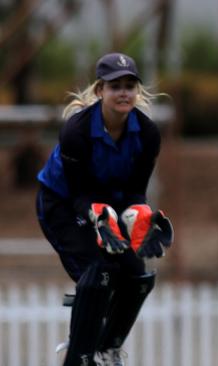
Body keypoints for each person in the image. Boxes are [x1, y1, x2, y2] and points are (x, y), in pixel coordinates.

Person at [36, 52, 173, 366]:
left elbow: (136, 190)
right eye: (115, 86)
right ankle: (79, 354)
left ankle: (106, 349)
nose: (123, 92)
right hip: (62, 204)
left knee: (137, 275)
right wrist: (98, 216)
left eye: (129, 85)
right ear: (100, 91)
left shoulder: (148, 134)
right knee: (100, 272)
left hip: (106, 206)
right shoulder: (77, 131)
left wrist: (141, 219)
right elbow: (79, 193)